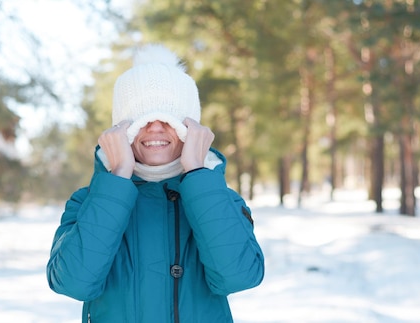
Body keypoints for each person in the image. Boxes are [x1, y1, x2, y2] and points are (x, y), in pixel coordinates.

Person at [46, 44, 264, 323]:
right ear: (121, 130)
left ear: (190, 129)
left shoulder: (221, 199)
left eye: (169, 116)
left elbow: (239, 277)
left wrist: (198, 173)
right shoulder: (89, 200)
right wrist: (119, 175)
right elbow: (73, 282)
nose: (155, 126)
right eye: (141, 118)